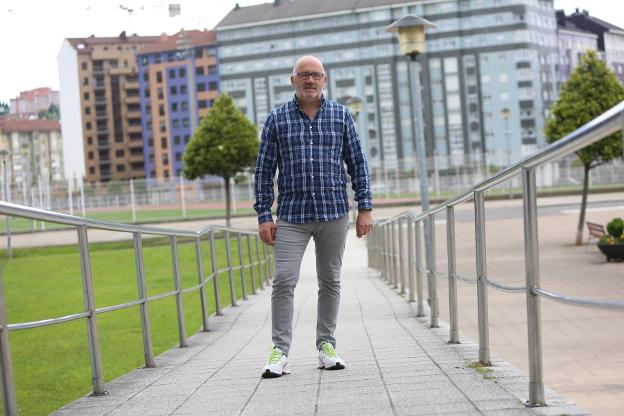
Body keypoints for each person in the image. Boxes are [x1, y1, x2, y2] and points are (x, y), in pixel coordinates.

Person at [254, 55, 374, 378]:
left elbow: (358, 163)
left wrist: (365, 207)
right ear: (293, 80)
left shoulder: (341, 116)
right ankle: (279, 351)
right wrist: (264, 215)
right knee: (283, 281)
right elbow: (264, 172)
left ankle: (326, 346)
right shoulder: (277, 119)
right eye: (303, 75)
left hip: (334, 212)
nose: (310, 80)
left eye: (316, 75)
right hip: (292, 215)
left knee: (331, 280)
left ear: (325, 80)